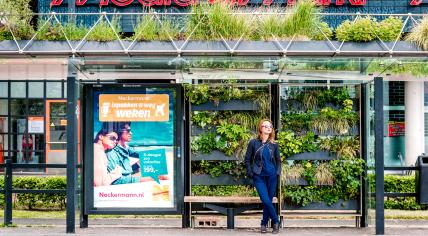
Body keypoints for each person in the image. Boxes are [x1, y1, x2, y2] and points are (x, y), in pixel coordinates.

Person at [245, 119, 281, 234]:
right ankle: (276, 221)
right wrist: (251, 172)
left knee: (268, 201)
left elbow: (278, 161)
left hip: (271, 176)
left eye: (270, 126)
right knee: (265, 199)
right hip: (258, 176)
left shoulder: (274, 145)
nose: (269, 128)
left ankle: (264, 224)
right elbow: (247, 160)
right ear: (260, 128)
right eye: (266, 126)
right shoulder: (253, 143)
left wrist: (277, 172)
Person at [93, 122, 122, 187]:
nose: (115, 141)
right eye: (112, 138)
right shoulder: (97, 151)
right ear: (101, 136)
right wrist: (117, 172)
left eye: (116, 140)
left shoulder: (97, 149)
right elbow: (101, 183)